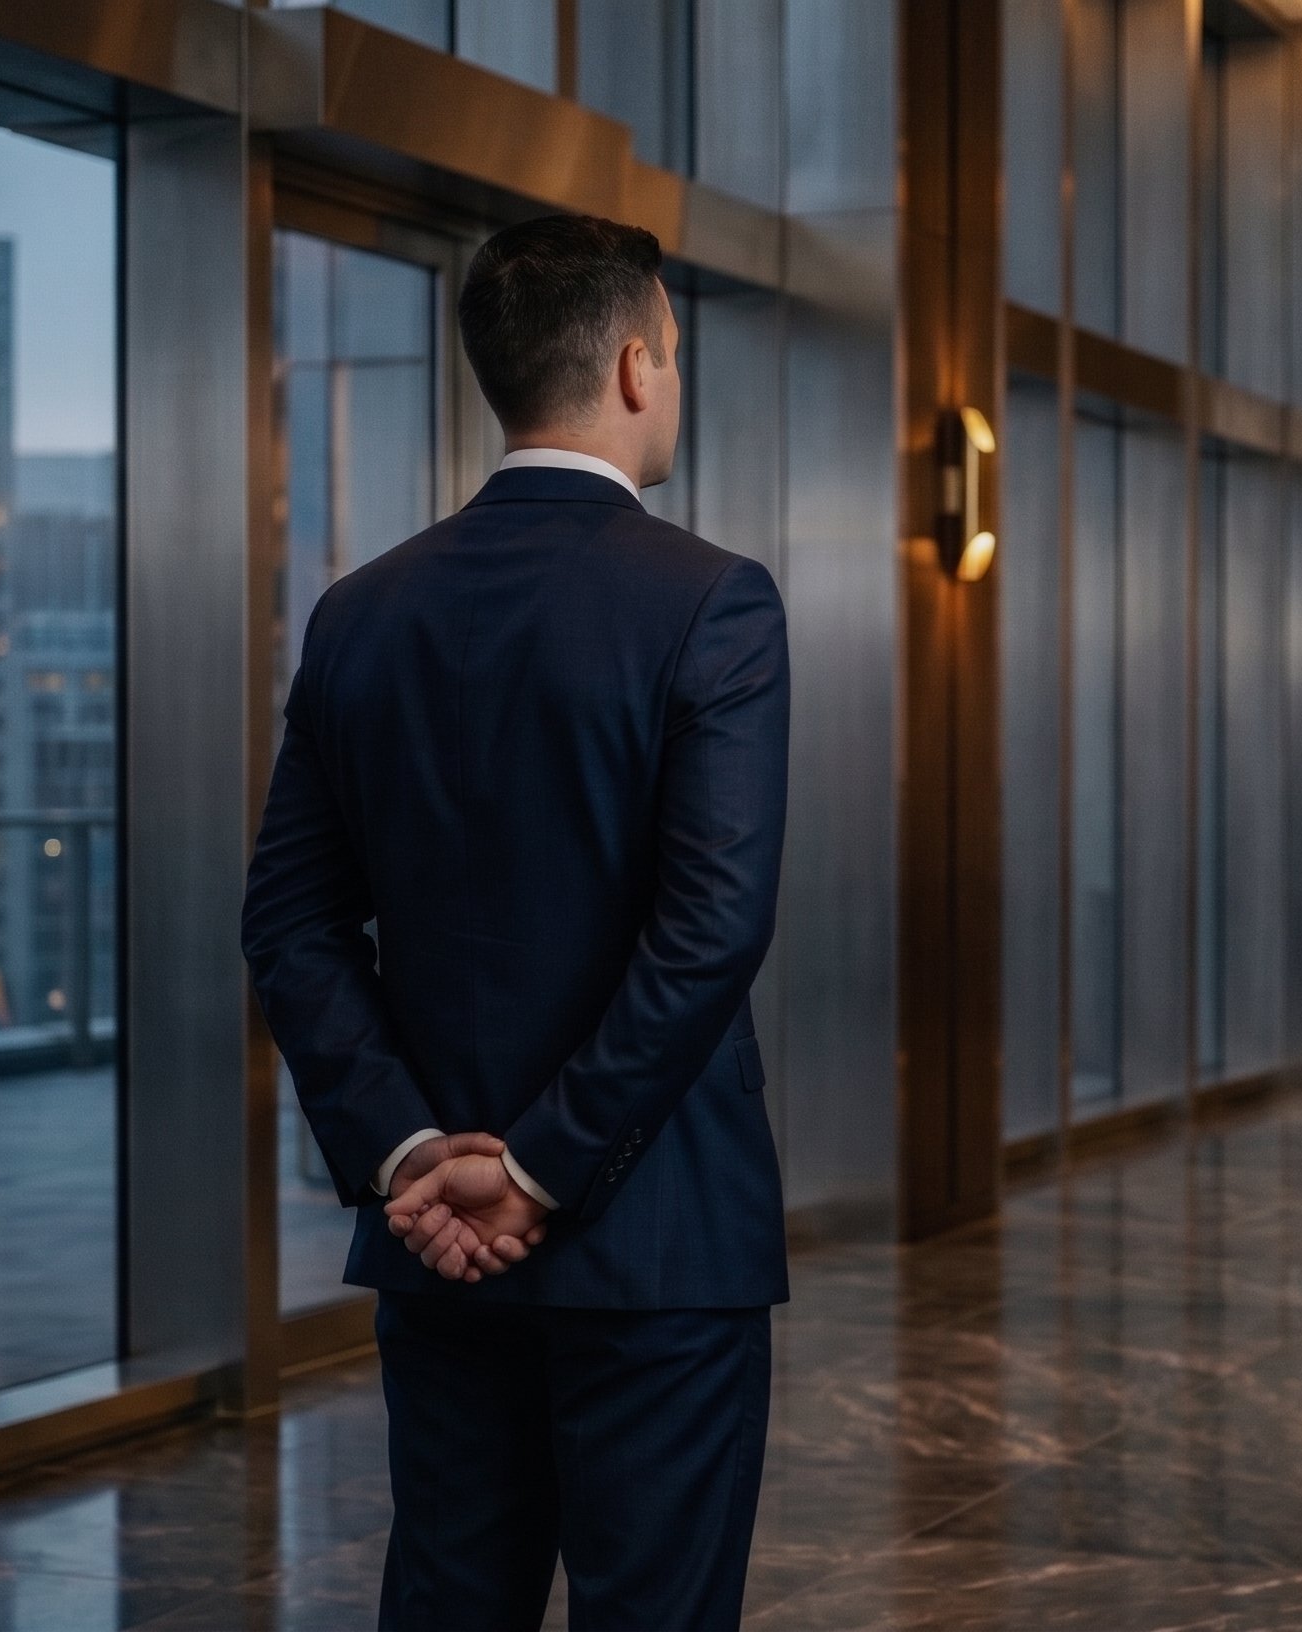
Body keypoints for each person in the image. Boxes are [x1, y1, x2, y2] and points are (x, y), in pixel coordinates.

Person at [242, 211, 790, 1631]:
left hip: (437, 1243)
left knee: (449, 1599)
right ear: (629, 365)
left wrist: (415, 1156)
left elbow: (290, 921)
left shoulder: (362, 613)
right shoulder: (711, 602)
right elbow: (711, 929)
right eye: (671, 351)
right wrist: (537, 1167)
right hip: (656, 1237)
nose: (672, 378)